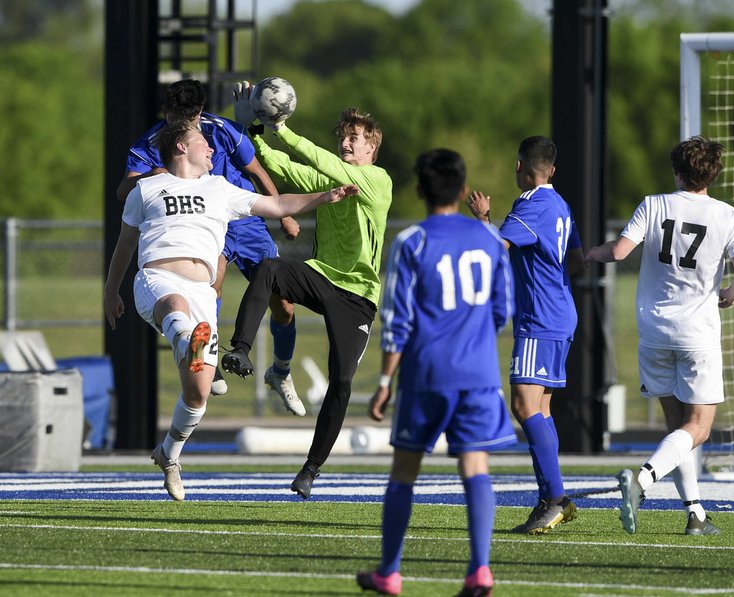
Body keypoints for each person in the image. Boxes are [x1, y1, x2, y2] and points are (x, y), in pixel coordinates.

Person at [104, 120, 358, 501]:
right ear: (180, 149)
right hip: (157, 280)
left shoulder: (219, 188)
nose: (210, 149)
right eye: (202, 144)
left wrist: (324, 197)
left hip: (202, 292)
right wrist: (110, 291)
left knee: (198, 395)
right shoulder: (147, 188)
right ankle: (189, 340)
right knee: (175, 309)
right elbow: (125, 244)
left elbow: (275, 205)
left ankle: (169, 453)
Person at [356, 149, 516, 597]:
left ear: (419, 191)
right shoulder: (489, 239)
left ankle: (390, 572)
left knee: (405, 467)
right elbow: (503, 309)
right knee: (475, 465)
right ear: (463, 191)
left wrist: (385, 382)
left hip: (427, 374)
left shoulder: (411, 242)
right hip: (479, 374)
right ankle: (480, 571)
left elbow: (397, 320)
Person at [220, 83, 393, 499]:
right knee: (270, 269)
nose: (346, 143)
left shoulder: (377, 180)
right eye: (344, 137)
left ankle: (310, 470)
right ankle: (240, 349)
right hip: (321, 275)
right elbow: (277, 165)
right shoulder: (331, 176)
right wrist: (252, 128)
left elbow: (313, 158)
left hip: (357, 297)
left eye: (355, 139)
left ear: (372, 151)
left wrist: (282, 127)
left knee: (343, 383)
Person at [585, 135, 734, 535]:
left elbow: (620, 252)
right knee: (698, 428)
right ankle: (642, 481)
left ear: (677, 171)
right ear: (713, 174)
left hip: (654, 332)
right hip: (697, 334)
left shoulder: (654, 204)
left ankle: (694, 512)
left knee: (678, 429)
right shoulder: (727, 215)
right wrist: (729, 294)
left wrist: (591, 254)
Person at [117, 79, 305, 414]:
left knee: (284, 304)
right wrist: (157, 173)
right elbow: (124, 190)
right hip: (205, 225)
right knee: (210, 284)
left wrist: (284, 216)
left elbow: (257, 171)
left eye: (192, 122)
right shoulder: (152, 141)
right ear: (166, 113)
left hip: (244, 219)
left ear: (201, 114)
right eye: (178, 121)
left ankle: (281, 371)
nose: (186, 129)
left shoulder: (222, 130)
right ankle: (208, 359)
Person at [466, 136, 584, 534]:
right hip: (561, 312)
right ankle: (551, 499)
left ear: (520, 167)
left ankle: (554, 498)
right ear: (551, 169)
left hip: (541, 318)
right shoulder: (561, 206)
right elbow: (577, 261)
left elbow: (492, 248)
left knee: (523, 405)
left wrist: (483, 217)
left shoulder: (531, 205)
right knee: (541, 409)